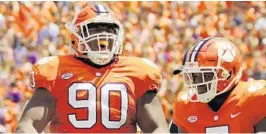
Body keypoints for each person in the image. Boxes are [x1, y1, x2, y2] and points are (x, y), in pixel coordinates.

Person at [16, 4, 169, 133]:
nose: (103, 36)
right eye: (95, 30)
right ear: (76, 36)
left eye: (109, 30)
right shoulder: (55, 70)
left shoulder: (138, 72)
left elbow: (157, 128)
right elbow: (28, 125)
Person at [170, 37, 266, 133]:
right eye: (193, 75)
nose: (196, 82)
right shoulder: (185, 104)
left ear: (229, 73)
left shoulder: (255, 98)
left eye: (204, 75)